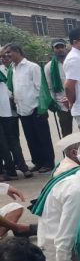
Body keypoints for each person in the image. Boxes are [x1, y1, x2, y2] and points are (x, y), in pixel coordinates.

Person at [6, 43, 55, 173]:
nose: (7, 55)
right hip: (22, 109)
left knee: (43, 137)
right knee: (31, 138)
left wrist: (42, 108)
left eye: (9, 52)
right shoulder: (13, 68)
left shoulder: (32, 67)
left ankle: (48, 162)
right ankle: (37, 162)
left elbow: (41, 88)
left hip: (36, 108)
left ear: (17, 51)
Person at [0, 46, 32, 179]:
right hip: (6, 109)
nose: (4, 58)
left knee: (7, 140)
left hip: (7, 110)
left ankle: (16, 169)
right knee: (8, 140)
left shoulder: (6, 70)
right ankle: (13, 169)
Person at [43, 39, 72, 136]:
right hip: (61, 104)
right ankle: (69, 151)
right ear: (53, 49)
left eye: (62, 47)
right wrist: (54, 103)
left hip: (77, 101)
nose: (60, 49)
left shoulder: (72, 62)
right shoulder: (49, 67)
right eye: (57, 47)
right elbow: (50, 87)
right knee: (66, 131)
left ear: (65, 48)